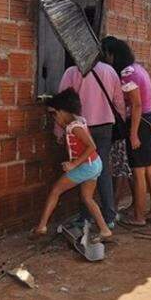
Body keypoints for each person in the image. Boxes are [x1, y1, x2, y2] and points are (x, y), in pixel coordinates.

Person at [32, 88, 112, 240]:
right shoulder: (77, 122)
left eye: (54, 114)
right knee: (87, 198)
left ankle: (41, 226)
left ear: (62, 111)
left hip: (86, 166)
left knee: (56, 190)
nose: (54, 118)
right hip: (94, 165)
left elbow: (92, 146)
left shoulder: (75, 127)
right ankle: (104, 230)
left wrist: (74, 164)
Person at [57, 59, 125, 228]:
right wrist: (120, 122)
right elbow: (119, 101)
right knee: (102, 171)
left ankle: (85, 217)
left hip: (81, 128)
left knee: (84, 169)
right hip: (105, 127)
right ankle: (109, 217)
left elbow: (62, 106)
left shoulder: (72, 72)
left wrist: (59, 131)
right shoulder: (109, 70)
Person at [101, 36, 151, 226]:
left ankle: (139, 217)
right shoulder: (138, 68)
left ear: (112, 54)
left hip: (141, 123)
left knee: (138, 171)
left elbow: (136, 105)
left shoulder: (127, 73)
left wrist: (133, 133)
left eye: (106, 54)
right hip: (150, 120)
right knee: (150, 168)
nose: (105, 59)